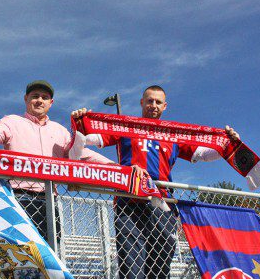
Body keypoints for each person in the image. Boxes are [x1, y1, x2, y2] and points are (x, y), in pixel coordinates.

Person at [72, 85, 240, 279]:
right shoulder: (126, 126)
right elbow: (91, 138)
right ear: (141, 102)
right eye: (149, 101)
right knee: (132, 268)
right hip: (130, 202)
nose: (153, 105)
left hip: (163, 205)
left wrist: (227, 145)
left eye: (158, 102)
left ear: (165, 106)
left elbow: (203, 154)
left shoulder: (173, 134)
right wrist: (81, 123)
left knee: (160, 269)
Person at [0, 80, 111, 242]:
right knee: (17, 251)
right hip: (17, 197)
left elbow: (82, 153)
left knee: (51, 251)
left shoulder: (60, 131)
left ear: (51, 103)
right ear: (26, 99)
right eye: (35, 96)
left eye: (44, 97)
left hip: (49, 200)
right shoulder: (11, 122)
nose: (39, 100)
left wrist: (114, 167)